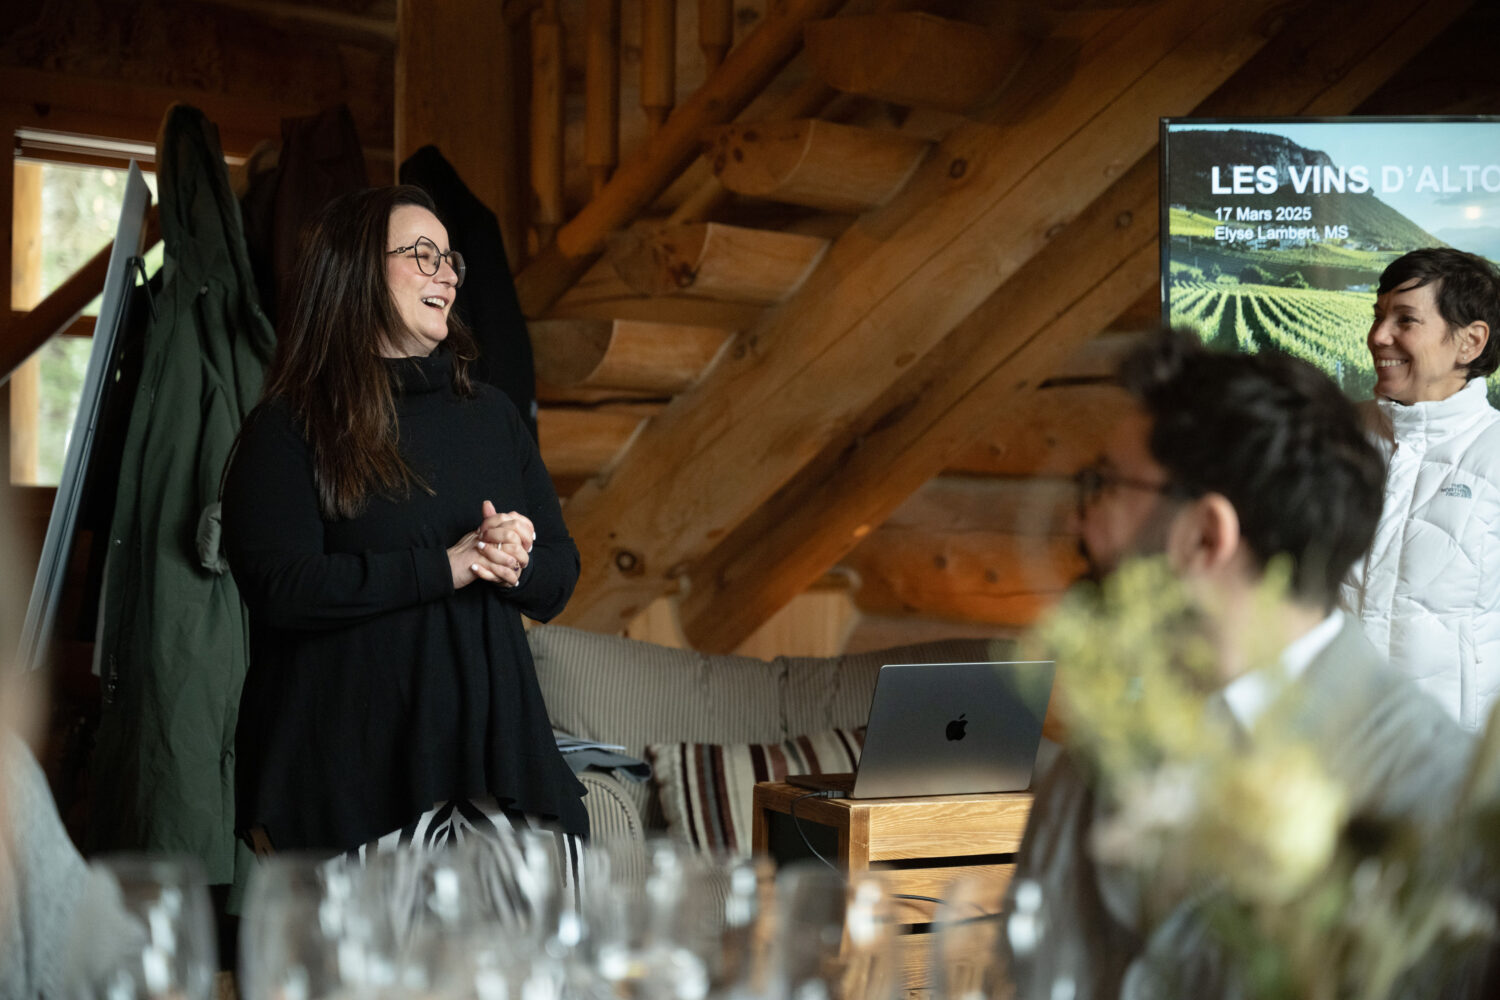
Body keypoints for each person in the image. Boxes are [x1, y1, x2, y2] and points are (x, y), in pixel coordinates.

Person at [1001, 329, 1474, 1000]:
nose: (1084, 527)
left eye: (1104, 486)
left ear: (1205, 536)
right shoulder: (1092, 765)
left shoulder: (1443, 804)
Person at [221, 185, 587, 866]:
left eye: (450, 259)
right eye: (423, 254)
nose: (447, 273)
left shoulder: (492, 416)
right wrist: (443, 567)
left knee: (529, 975)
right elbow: (282, 586)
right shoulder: (291, 426)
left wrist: (516, 559)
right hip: (350, 789)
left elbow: (559, 575)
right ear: (359, 269)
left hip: (497, 779)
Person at [1340, 248, 1500, 732]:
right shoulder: (1338, 433)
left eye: (1405, 319)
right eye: (1378, 315)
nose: (1378, 336)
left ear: (1470, 342)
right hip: (1328, 739)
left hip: (1447, 754)